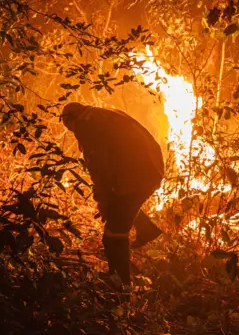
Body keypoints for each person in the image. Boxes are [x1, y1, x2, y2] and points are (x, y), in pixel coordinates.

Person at [61, 102, 164, 285]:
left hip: (136, 177)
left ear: (71, 118)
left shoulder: (86, 124)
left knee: (113, 235)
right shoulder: (101, 113)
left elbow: (100, 166)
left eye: (68, 126)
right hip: (148, 170)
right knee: (121, 208)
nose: (71, 132)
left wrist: (103, 199)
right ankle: (145, 228)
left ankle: (120, 284)